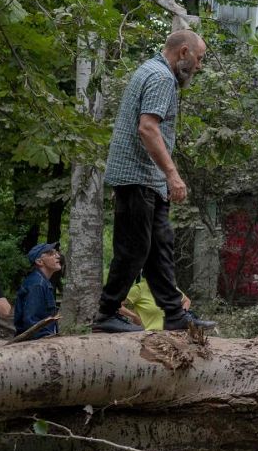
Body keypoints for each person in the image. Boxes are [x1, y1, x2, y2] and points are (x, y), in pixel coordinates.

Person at [92, 29, 215, 334]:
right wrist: (172, 174)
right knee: (134, 248)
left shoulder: (153, 71)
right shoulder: (161, 77)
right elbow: (147, 128)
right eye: (199, 59)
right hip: (138, 177)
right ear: (184, 52)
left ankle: (174, 314)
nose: (199, 66)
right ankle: (107, 313)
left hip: (148, 179)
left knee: (160, 247)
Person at [14, 242, 62, 339]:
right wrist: (48, 340)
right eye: (51, 254)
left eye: (56, 252)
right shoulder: (37, 284)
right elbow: (31, 322)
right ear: (39, 261)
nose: (58, 256)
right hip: (34, 344)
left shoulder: (42, 282)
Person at [123, 276, 197, 331]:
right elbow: (117, 305)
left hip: (175, 335)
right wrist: (134, 316)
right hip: (151, 336)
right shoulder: (139, 289)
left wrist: (182, 314)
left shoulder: (169, 286)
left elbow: (186, 301)